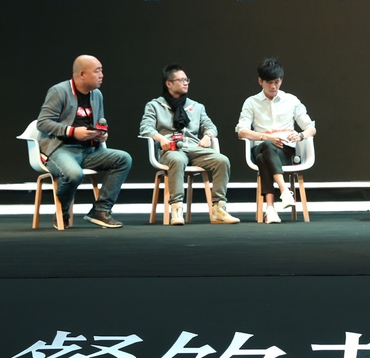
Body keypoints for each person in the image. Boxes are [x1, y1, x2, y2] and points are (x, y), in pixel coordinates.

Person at [35, 55, 133, 229]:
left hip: (89, 150)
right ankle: (63, 209)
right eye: (97, 71)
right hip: (61, 149)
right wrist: (72, 131)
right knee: (74, 174)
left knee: (123, 159)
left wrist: (101, 134)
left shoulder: (97, 95)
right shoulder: (59, 91)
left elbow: (99, 122)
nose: (102, 75)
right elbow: (42, 123)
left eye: (101, 70)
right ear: (82, 74)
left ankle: (100, 210)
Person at [139, 64, 239, 225]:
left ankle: (219, 208)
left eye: (187, 80)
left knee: (222, 160)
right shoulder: (155, 105)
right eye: (181, 80)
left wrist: (208, 136)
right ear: (169, 83)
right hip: (171, 149)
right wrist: (161, 138)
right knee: (177, 160)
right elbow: (146, 128)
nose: (186, 83)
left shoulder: (197, 107)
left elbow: (210, 126)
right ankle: (177, 208)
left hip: (194, 148)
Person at [236, 58, 316, 223]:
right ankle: (284, 190)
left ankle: (270, 209)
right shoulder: (251, 102)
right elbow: (241, 131)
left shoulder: (291, 100)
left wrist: (301, 136)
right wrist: (266, 137)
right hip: (261, 145)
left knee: (262, 159)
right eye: (269, 82)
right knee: (267, 145)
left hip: (284, 151)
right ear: (260, 81)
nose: (273, 86)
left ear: (281, 80)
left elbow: (311, 128)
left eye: (276, 82)